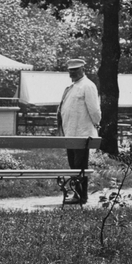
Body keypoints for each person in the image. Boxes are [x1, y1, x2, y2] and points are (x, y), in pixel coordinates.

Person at [57, 57, 100, 205]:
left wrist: (96, 124)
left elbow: (94, 110)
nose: (72, 73)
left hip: (82, 134)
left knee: (80, 166)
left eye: (75, 70)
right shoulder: (72, 87)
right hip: (70, 133)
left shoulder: (88, 86)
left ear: (83, 69)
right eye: (70, 71)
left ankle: (81, 196)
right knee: (73, 165)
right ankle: (77, 193)